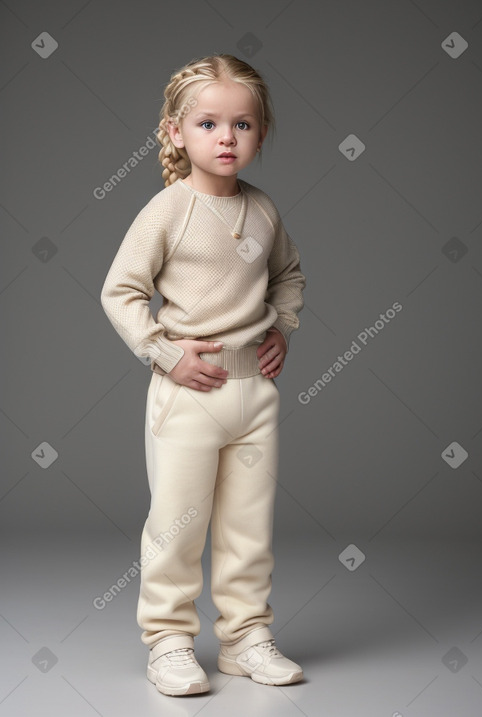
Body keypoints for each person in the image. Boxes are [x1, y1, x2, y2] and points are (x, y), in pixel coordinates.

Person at [100, 53, 306, 697]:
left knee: (249, 525)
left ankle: (246, 637)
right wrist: (167, 354)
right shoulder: (167, 211)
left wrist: (282, 329)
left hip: (255, 395)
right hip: (190, 393)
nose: (226, 137)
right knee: (178, 520)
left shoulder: (265, 209)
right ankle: (169, 639)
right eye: (209, 124)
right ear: (174, 132)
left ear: (260, 133)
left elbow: (288, 276)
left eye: (243, 125)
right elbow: (120, 292)